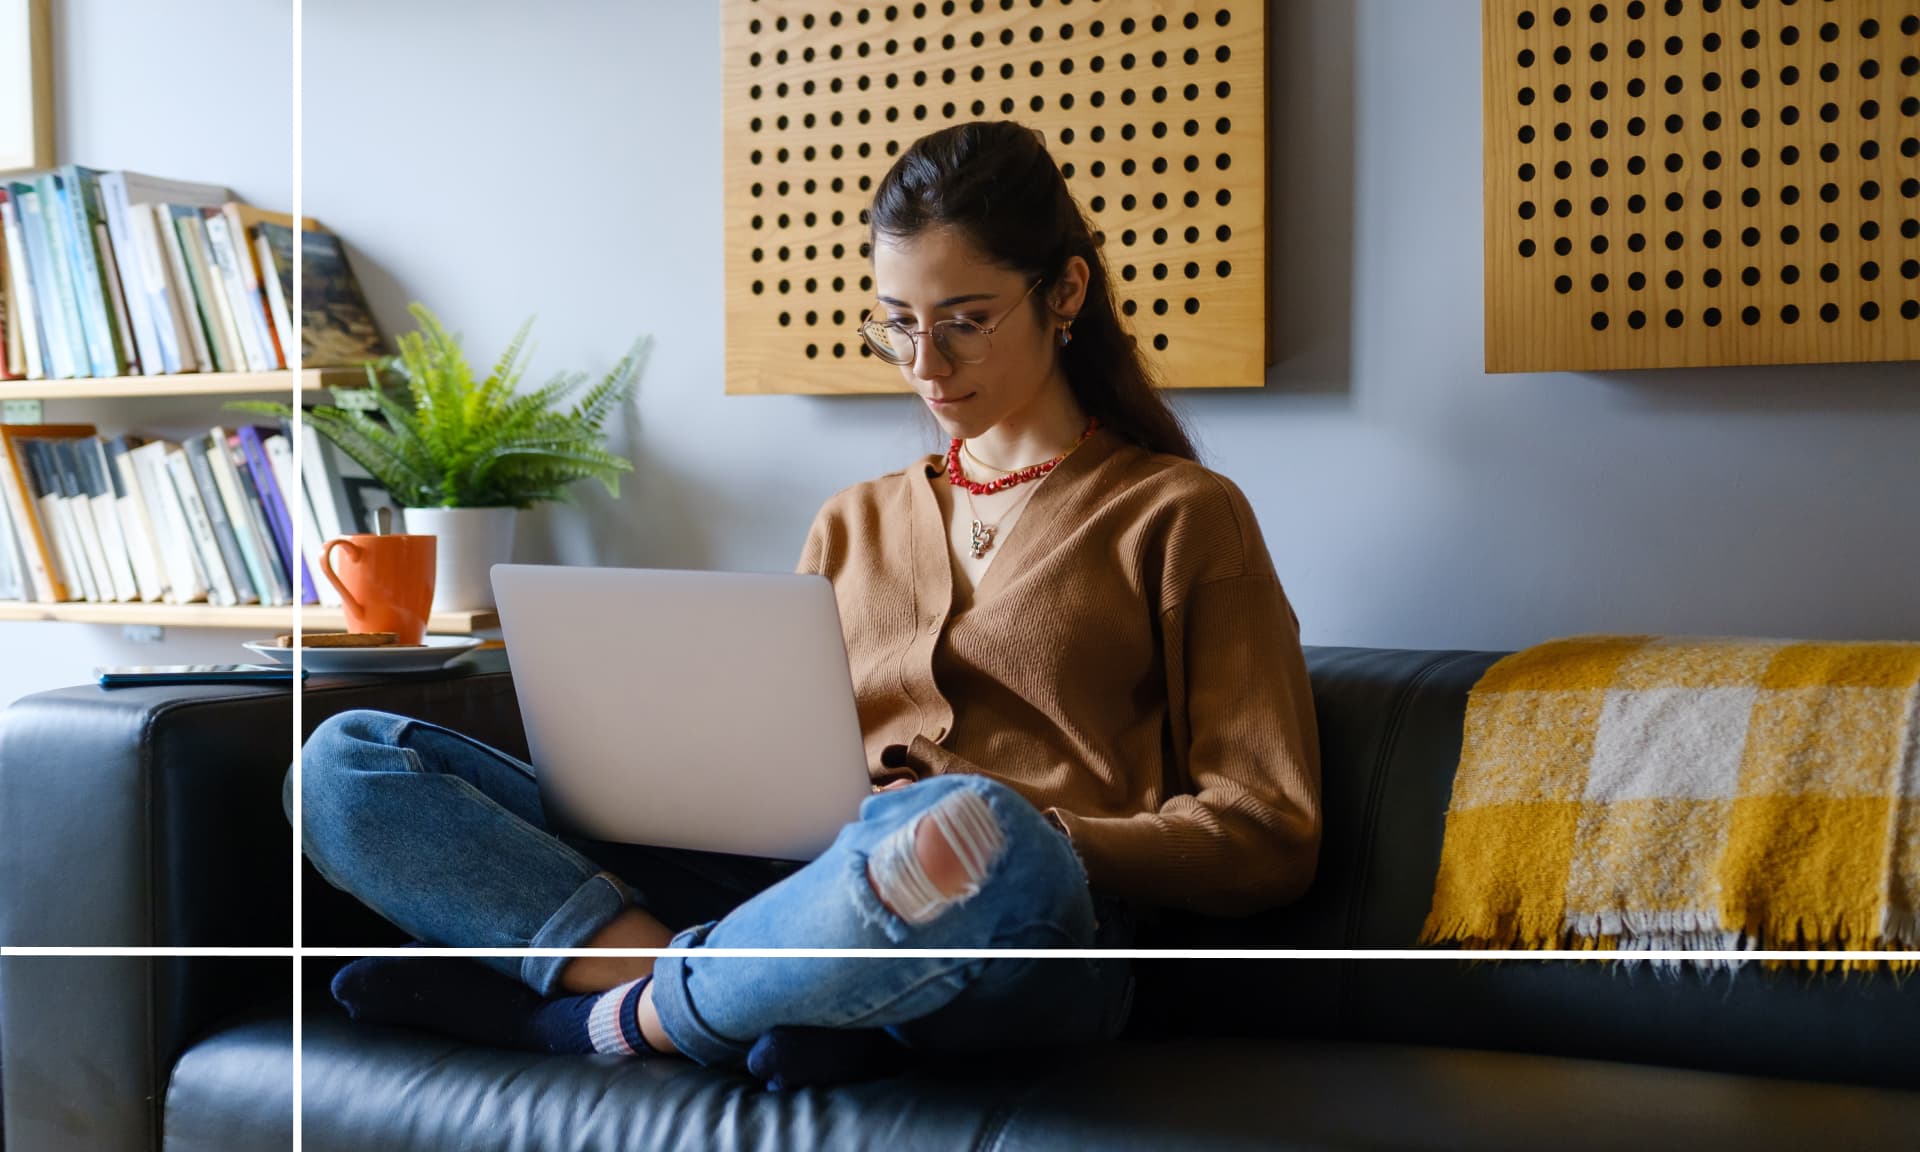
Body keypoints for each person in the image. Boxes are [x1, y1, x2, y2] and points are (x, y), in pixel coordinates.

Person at [298, 120, 1320, 1087]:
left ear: (1066, 292)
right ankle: (754, 992)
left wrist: (1041, 829)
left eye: (965, 322)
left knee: (971, 840)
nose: (927, 364)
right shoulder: (851, 523)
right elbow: (777, 761)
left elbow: (1268, 830)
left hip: (1012, 923)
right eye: (899, 324)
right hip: (795, 888)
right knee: (345, 764)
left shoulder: (1183, 515)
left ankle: (589, 1015)